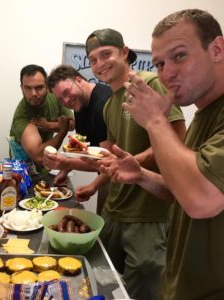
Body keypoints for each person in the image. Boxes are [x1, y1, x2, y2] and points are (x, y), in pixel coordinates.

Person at [99, 9, 224, 300]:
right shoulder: (205, 114)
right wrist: (141, 175)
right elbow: (182, 189)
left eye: (179, 56)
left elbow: (201, 199)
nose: (167, 73)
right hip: (179, 285)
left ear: (217, 49)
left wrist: (155, 121)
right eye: (159, 63)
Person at [77, 28, 186, 300]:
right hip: (115, 210)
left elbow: (177, 138)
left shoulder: (149, 83)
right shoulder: (108, 105)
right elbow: (115, 159)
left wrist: (135, 163)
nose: (100, 64)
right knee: (105, 284)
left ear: (124, 53)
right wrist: (92, 178)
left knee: (143, 292)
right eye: (93, 59)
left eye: (106, 54)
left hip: (148, 213)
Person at [43, 64, 112, 212]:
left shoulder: (103, 105)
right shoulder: (79, 104)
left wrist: (66, 163)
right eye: (60, 99)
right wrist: (66, 169)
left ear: (79, 80)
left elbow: (106, 161)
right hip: (107, 179)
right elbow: (86, 153)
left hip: (124, 185)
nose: (66, 101)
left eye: (67, 92)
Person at [9, 64, 74, 171]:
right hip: (22, 173)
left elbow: (72, 124)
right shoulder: (22, 116)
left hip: (46, 168)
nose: (33, 93)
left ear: (47, 86)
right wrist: (62, 132)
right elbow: (39, 157)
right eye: (28, 88)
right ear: (21, 88)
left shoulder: (55, 97)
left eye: (39, 87)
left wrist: (50, 126)